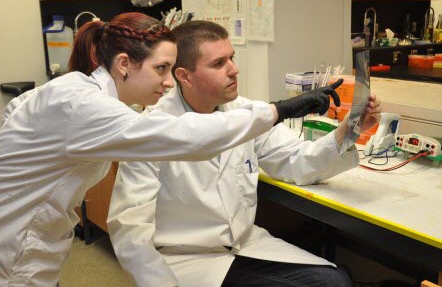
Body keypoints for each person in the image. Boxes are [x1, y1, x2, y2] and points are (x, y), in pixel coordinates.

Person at [0, 12, 342, 286]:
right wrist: (277, 110)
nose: (166, 80)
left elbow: (16, 109)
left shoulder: (80, 94)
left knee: (330, 279)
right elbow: (182, 136)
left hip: (34, 241)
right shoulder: (85, 104)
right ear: (125, 64)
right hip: (14, 247)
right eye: (161, 68)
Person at [107, 20, 382, 287]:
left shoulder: (246, 113)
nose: (234, 70)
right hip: (185, 260)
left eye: (232, 58)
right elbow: (129, 228)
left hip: (247, 245)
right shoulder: (152, 131)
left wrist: (350, 130)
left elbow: (296, 161)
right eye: (218, 63)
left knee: (334, 280)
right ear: (184, 76)